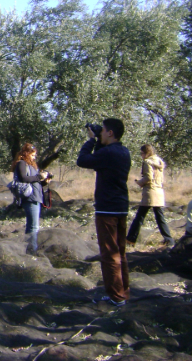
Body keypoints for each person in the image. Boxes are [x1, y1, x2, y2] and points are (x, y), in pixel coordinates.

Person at [77, 118, 131, 307]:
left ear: (110, 133)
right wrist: (99, 141)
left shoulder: (108, 153)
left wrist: (91, 141)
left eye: (103, 131)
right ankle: (123, 292)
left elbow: (82, 160)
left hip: (107, 208)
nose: (100, 134)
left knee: (109, 254)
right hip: (121, 207)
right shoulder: (123, 151)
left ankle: (116, 297)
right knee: (120, 253)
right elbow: (100, 159)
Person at [126, 145, 174, 247]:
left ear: (146, 153)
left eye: (141, 153)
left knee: (139, 217)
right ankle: (169, 240)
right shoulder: (159, 161)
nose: (141, 156)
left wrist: (139, 182)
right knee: (160, 217)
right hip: (159, 192)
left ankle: (130, 240)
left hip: (150, 192)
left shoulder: (147, 162)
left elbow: (148, 177)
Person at [11, 144, 50, 254]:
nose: (34, 157)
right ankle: (32, 250)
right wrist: (39, 177)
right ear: (26, 154)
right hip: (29, 199)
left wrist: (43, 182)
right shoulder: (22, 164)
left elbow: (34, 182)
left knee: (33, 225)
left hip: (36, 197)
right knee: (33, 226)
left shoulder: (32, 166)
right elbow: (24, 178)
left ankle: (30, 248)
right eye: (33, 155)